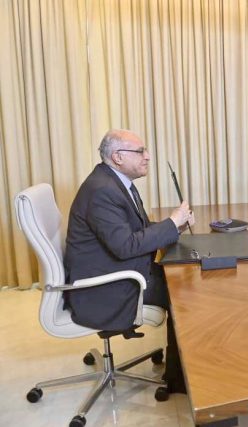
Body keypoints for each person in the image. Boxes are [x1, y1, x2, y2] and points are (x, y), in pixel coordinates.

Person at [64, 129, 194, 393]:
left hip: (116, 269)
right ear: (118, 157)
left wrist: (175, 227)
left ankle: (181, 372)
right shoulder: (102, 191)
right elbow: (125, 246)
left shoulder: (116, 183)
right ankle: (180, 380)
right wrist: (172, 222)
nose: (148, 156)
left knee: (183, 274)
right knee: (185, 294)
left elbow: (137, 231)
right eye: (140, 151)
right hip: (103, 289)